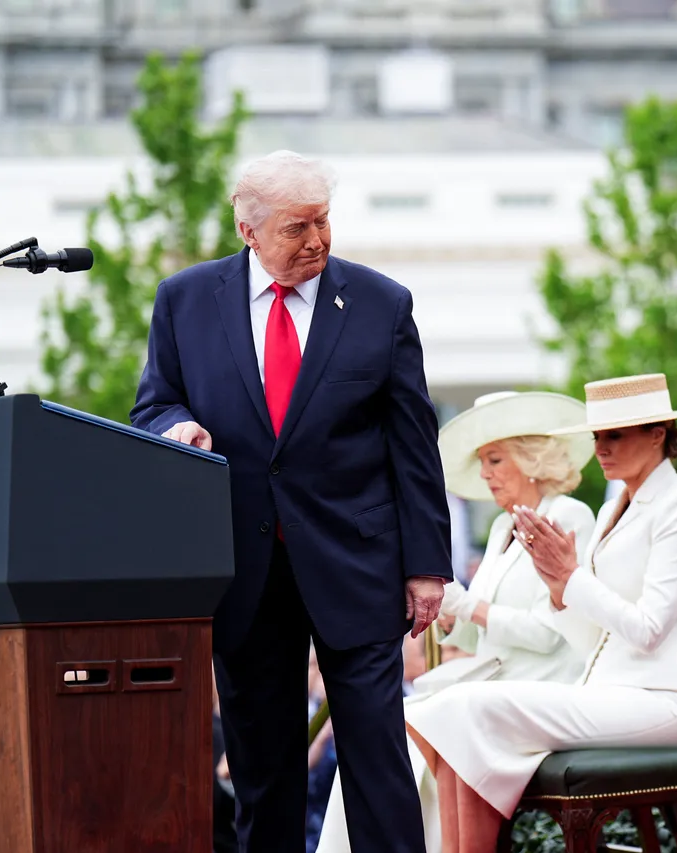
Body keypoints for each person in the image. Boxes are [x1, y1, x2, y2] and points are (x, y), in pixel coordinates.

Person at [131, 150, 453, 853]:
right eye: (297, 227)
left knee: (377, 765)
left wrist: (427, 565)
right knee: (263, 776)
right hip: (245, 572)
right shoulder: (184, 300)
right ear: (248, 229)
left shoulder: (380, 302)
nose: (317, 240)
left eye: (324, 220)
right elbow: (153, 402)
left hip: (358, 567)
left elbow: (414, 443)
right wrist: (176, 427)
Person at [405, 373, 677, 853]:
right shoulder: (621, 507)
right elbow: (589, 638)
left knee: (463, 706)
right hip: (612, 688)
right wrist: (558, 588)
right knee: (451, 708)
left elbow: (648, 630)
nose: (601, 447)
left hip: (666, 698)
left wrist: (571, 579)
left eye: (615, 434)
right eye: (597, 436)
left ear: (658, 435)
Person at [317, 390, 598, 853]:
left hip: (547, 683)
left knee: (407, 731)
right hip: (492, 681)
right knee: (382, 728)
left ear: (530, 459)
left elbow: (551, 634)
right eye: (483, 461)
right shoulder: (502, 528)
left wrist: (469, 607)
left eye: (495, 459)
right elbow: (473, 629)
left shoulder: (568, 515)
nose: (485, 474)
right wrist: (441, 610)